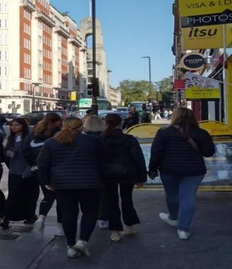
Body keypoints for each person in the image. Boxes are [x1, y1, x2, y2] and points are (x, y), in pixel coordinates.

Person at [36, 117, 107, 258]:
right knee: (90, 212)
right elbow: (104, 160)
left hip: (63, 183)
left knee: (69, 214)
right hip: (89, 182)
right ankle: (82, 241)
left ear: (63, 126)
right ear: (82, 127)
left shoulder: (51, 142)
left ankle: (70, 246)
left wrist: (46, 181)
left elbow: (42, 163)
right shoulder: (92, 141)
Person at [148, 107, 215, 240]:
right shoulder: (201, 133)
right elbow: (209, 152)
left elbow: (156, 153)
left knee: (172, 194)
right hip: (194, 170)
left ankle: (173, 218)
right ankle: (183, 230)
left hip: (169, 169)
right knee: (188, 197)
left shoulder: (164, 132)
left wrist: (152, 169)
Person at [98, 113, 148, 243]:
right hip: (127, 173)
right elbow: (138, 159)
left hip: (106, 174)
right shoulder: (129, 139)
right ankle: (129, 226)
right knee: (127, 199)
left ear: (105, 124)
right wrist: (142, 177)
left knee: (111, 202)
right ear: (120, 124)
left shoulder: (99, 140)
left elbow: (95, 159)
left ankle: (115, 232)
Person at [22, 112, 63, 237]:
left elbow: (25, 149)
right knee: (61, 198)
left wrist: (33, 164)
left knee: (47, 196)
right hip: (57, 169)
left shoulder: (35, 132)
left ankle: (41, 218)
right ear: (57, 121)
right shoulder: (59, 132)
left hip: (39, 170)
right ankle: (59, 227)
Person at [0, 117, 37, 228]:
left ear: (23, 126)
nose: (14, 127)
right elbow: (5, 151)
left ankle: (30, 215)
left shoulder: (29, 137)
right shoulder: (11, 138)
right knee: (13, 195)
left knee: (29, 194)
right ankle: (7, 218)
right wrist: (8, 153)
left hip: (28, 169)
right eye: (12, 125)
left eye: (17, 125)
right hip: (14, 169)